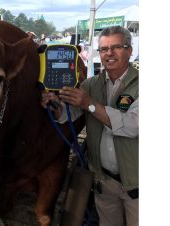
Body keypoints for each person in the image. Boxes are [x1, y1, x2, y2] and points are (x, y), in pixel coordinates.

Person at [41, 26, 138, 226]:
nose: (109, 53)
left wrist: (89, 104)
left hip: (138, 184)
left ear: (129, 50)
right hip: (104, 181)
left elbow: (131, 126)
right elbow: (72, 114)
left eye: (116, 47)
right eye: (103, 49)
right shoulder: (90, 84)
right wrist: (56, 106)